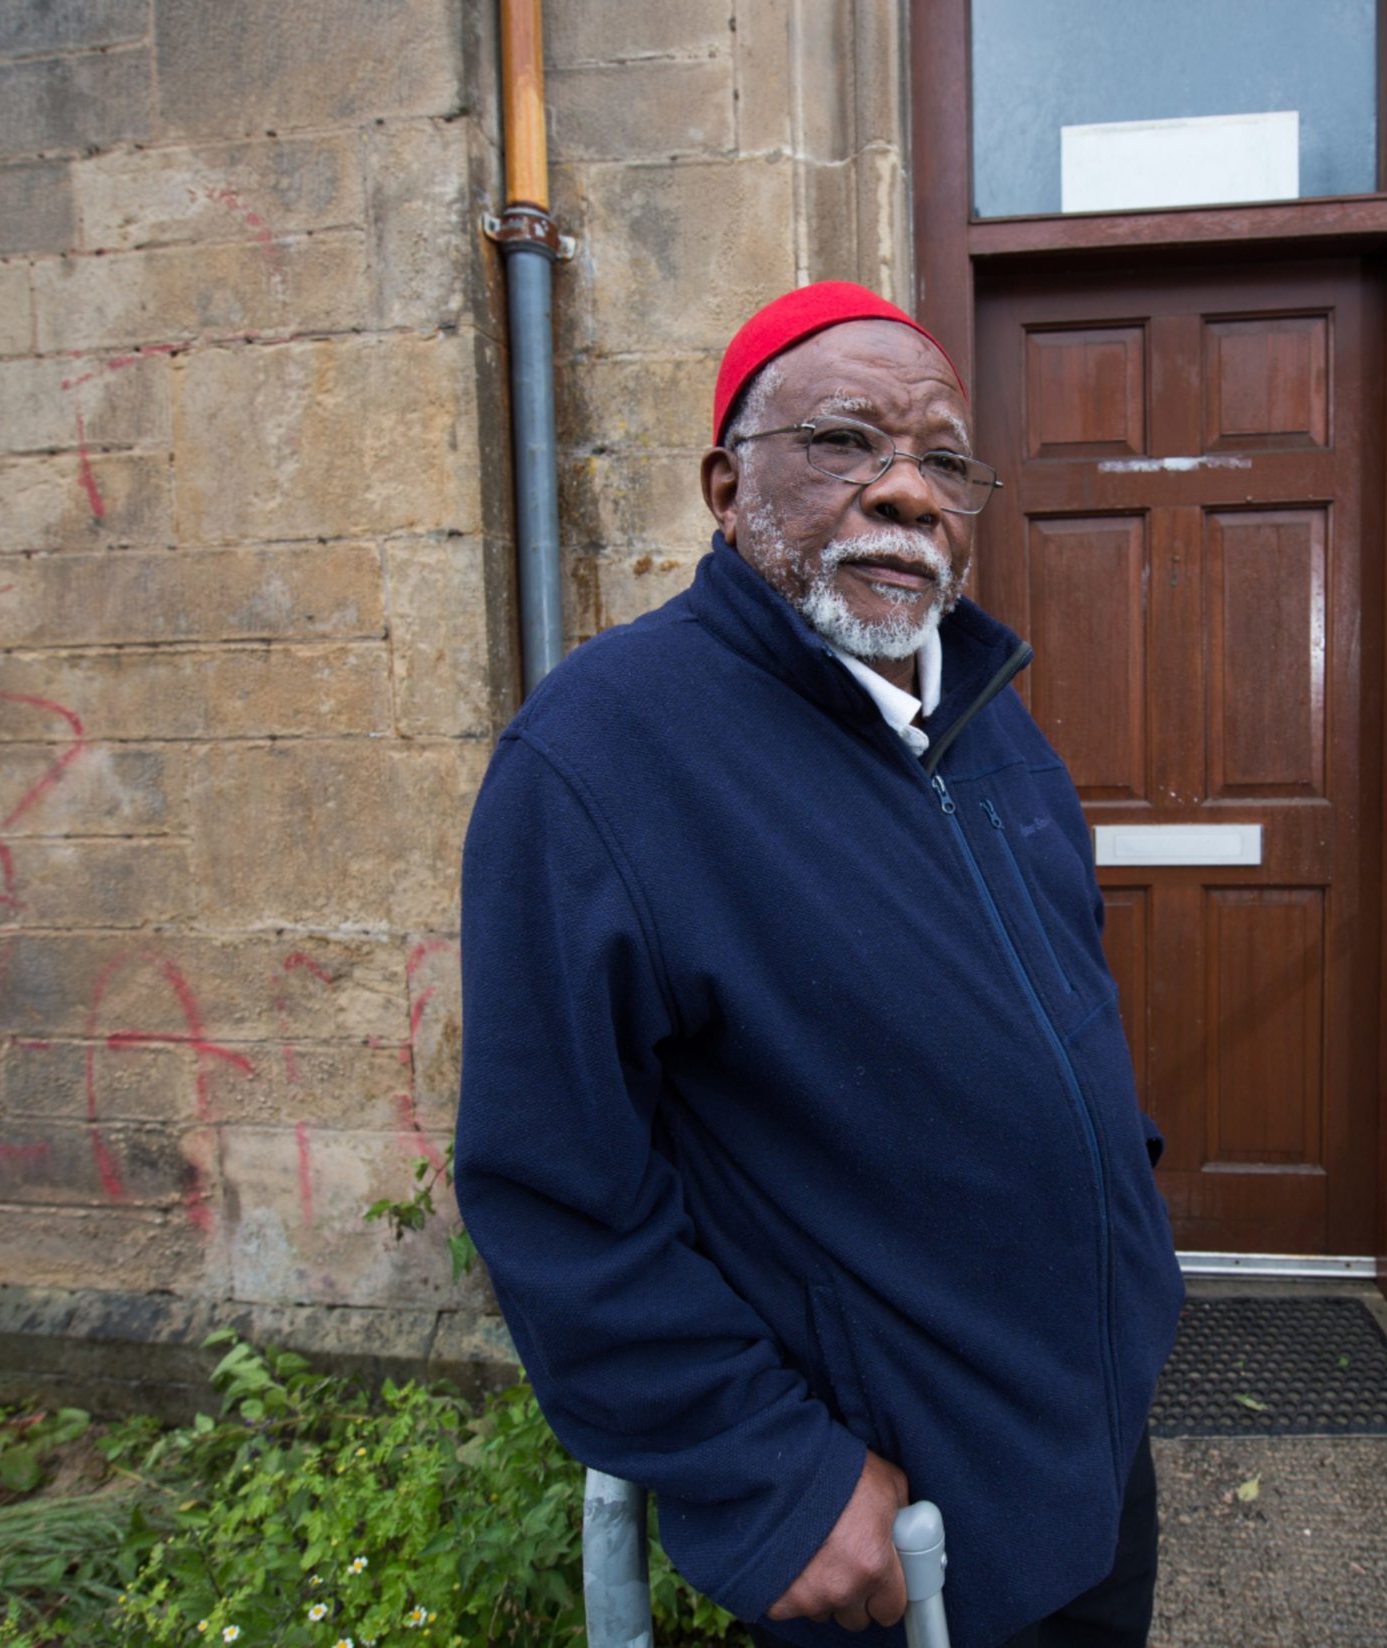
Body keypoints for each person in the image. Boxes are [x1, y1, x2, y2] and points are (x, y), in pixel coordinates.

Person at [455, 282, 1183, 1648]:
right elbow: (552, 1188)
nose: (907, 492)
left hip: (1087, 1456)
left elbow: (1066, 1009)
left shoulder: (990, 722)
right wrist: (764, 1473)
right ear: (727, 486)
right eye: (845, 442)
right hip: (896, 1523)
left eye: (946, 461)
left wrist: (1125, 1229)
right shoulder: (604, 755)